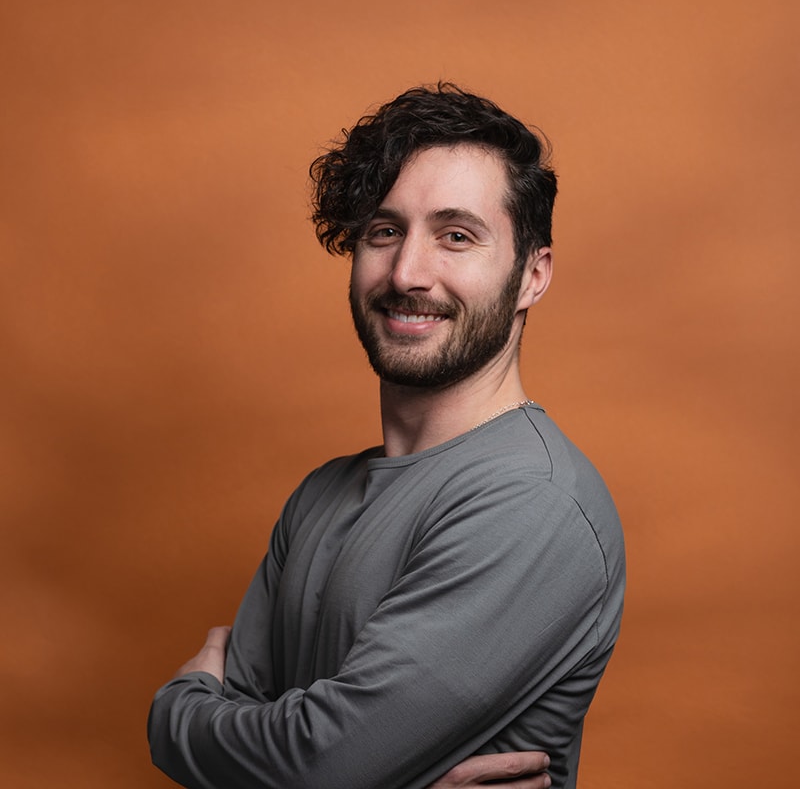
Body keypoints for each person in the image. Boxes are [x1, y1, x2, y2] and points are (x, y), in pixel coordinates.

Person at [148, 83, 625, 789]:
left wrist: (174, 713)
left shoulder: (533, 504)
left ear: (531, 275)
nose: (407, 273)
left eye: (456, 236)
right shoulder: (320, 495)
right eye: (384, 230)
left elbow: (313, 767)